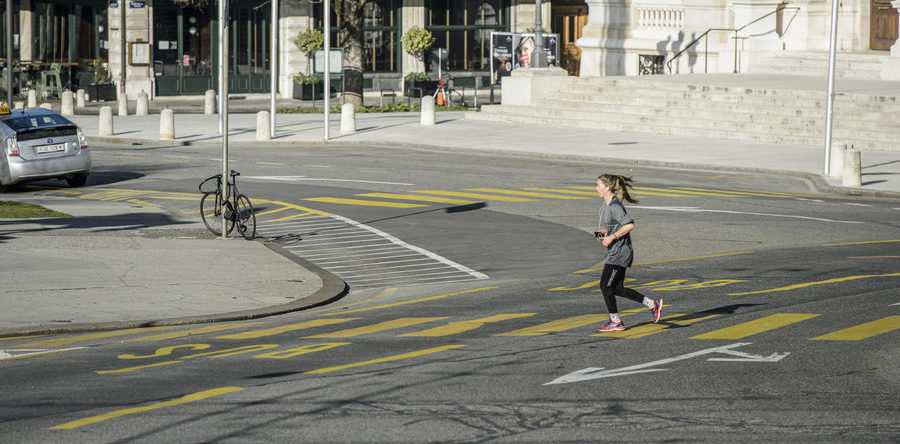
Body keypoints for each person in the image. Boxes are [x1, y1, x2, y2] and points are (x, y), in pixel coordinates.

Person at [594, 174, 663, 332]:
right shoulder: (608, 205)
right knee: (617, 289)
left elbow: (629, 225)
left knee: (605, 286)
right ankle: (653, 305)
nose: (596, 188)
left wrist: (612, 237)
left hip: (619, 253)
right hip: (618, 251)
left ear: (607, 188)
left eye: (598, 185)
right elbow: (615, 227)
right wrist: (604, 233)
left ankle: (615, 321)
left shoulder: (614, 206)